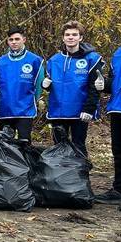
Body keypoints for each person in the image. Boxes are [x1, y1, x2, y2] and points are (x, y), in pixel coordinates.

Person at [42, 20, 104, 157]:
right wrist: (45, 85)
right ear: (63, 38)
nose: (71, 37)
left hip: (80, 112)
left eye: (74, 34)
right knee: (58, 147)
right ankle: (59, 178)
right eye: (67, 34)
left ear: (80, 37)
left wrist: (89, 109)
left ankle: (80, 177)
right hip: (57, 111)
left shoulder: (91, 59)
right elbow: (52, 85)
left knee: (78, 146)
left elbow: (95, 87)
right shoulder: (54, 60)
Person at [0, 26, 44, 141]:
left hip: (25, 110)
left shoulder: (35, 60)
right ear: (7, 41)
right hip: (6, 110)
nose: (14, 42)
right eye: (11, 40)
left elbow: (39, 85)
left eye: (17, 39)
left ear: (24, 40)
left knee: (24, 143)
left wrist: (34, 101)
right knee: (5, 145)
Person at [97, 43, 121, 205]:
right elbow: (115, 82)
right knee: (119, 152)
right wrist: (104, 85)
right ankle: (119, 190)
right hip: (117, 108)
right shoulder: (118, 53)